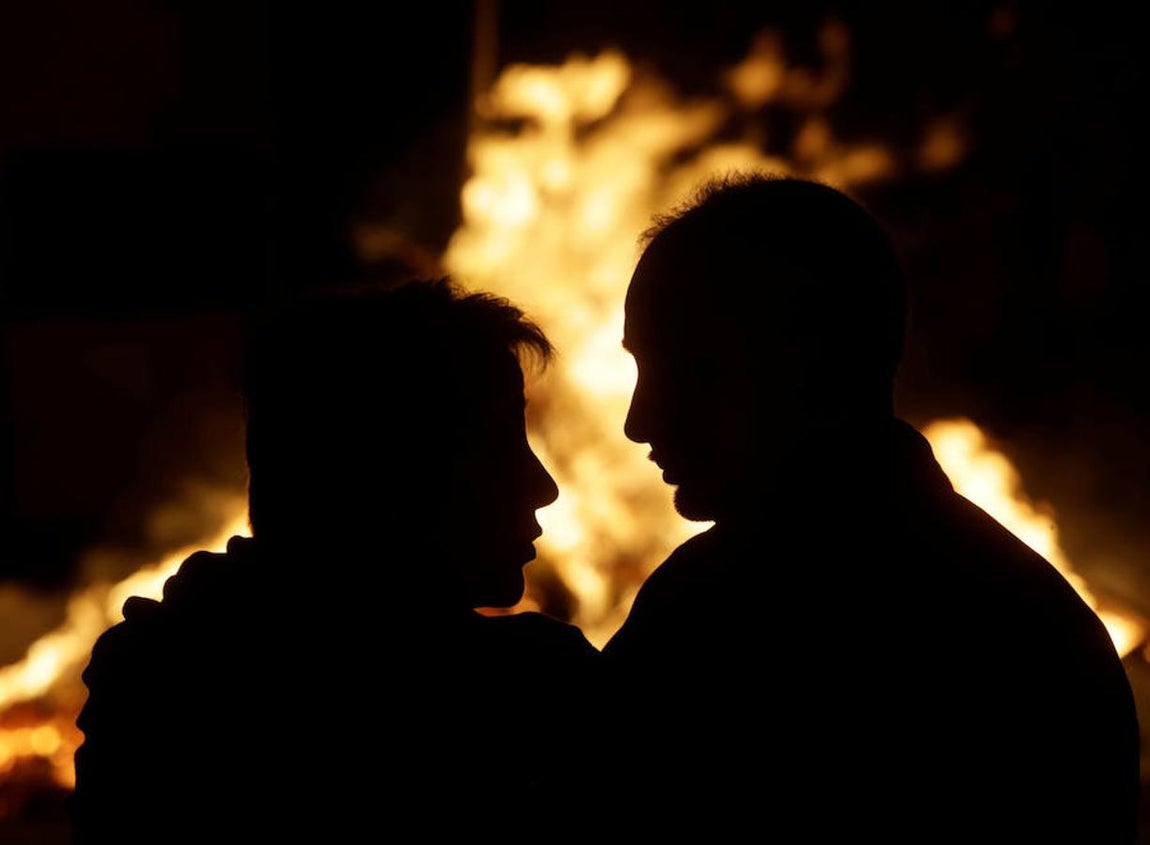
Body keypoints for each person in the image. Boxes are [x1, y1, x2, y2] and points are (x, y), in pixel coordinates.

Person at [601, 172, 1140, 841]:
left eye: (692, 371)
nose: (640, 419)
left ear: (813, 366)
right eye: (642, 367)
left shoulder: (708, 614)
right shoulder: (1045, 622)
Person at [70, 277, 600, 842]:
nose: (542, 486)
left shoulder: (151, 681)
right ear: (385, 476)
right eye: (497, 445)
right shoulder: (530, 697)